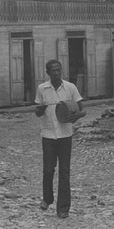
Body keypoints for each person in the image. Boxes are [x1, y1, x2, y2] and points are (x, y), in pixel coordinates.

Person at [35, 59, 86, 219]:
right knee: (48, 170)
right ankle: (47, 198)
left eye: (59, 70)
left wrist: (76, 116)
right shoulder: (42, 89)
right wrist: (40, 109)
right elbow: (37, 112)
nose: (57, 73)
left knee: (64, 173)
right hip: (48, 135)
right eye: (53, 70)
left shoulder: (70, 87)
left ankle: (63, 208)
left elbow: (82, 109)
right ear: (48, 72)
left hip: (65, 136)